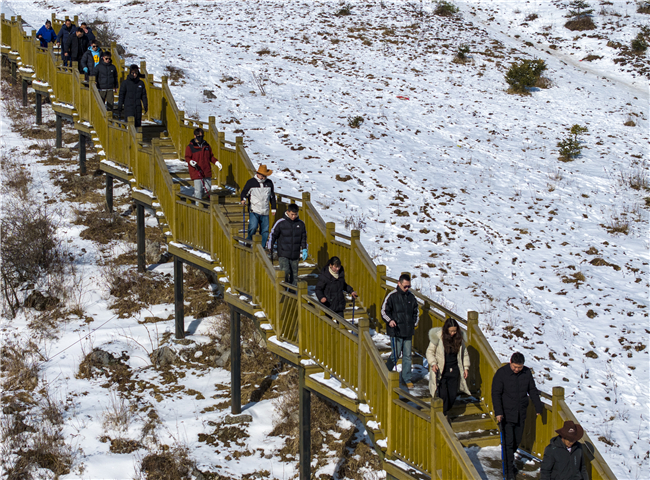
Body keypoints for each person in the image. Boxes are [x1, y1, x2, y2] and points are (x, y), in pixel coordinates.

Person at [492, 352, 544, 480]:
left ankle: (509, 461)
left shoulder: (526, 373)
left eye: (519, 367)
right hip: (506, 414)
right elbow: (496, 393)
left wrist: (538, 406)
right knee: (508, 443)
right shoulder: (501, 373)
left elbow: (532, 389)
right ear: (510, 363)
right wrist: (498, 412)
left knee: (517, 440)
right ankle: (509, 471)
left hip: (520, 413)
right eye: (515, 367)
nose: (516, 369)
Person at [426, 317, 470, 416]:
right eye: (451, 331)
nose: (453, 333)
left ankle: (444, 412)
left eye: (455, 331)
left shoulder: (459, 339)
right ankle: (443, 415)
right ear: (446, 330)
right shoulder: (438, 337)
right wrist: (433, 363)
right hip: (442, 370)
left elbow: (465, 354)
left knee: (452, 395)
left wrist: (466, 367)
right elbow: (430, 352)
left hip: (454, 370)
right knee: (443, 395)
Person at [381, 273, 419, 389]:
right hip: (396, 331)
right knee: (396, 355)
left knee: (407, 355)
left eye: (409, 286)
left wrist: (414, 323)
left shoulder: (411, 297)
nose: (407, 288)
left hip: (408, 331)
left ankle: (406, 378)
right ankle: (385, 373)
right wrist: (390, 321)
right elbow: (384, 311)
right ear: (399, 284)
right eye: (405, 286)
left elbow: (416, 312)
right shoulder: (391, 296)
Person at [267, 203, 307, 285]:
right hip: (283, 252)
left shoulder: (301, 224)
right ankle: (284, 291)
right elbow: (273, 235)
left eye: (295, 214)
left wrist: (304, 249)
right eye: (292, 214)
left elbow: (303, 237)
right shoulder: (281, 222)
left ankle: (293, 294)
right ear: (288, 212)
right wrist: (270, 246)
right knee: (285, 272)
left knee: (294, 275)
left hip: (295, 253)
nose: (293, 216)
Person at [240, 165, 277, 247]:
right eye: (262, 175)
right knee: (253, 227)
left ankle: (262, 247)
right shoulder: (251, 182)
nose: (263, 177)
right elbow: (244, 192)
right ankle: (248, 242)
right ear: (258, 174)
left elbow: (272, 196)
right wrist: (243, 199)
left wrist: (273, 208)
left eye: (265, 175)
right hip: (254, 210)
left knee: (265, 231)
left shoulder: (269, 183)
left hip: (265, 210)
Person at [184, 128, 222, 201]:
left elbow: (211, 156)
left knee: (208, 188)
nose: (200, 137)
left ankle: (197, 197)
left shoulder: (206, 146)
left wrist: (216, 162)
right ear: (195, 136)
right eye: (198, 135)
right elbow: (187, 157)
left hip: (206, 170)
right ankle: (198, 204)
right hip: (196, 171)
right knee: (199, 189)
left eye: (202, 135)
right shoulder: (190, 147)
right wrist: (191, 162)